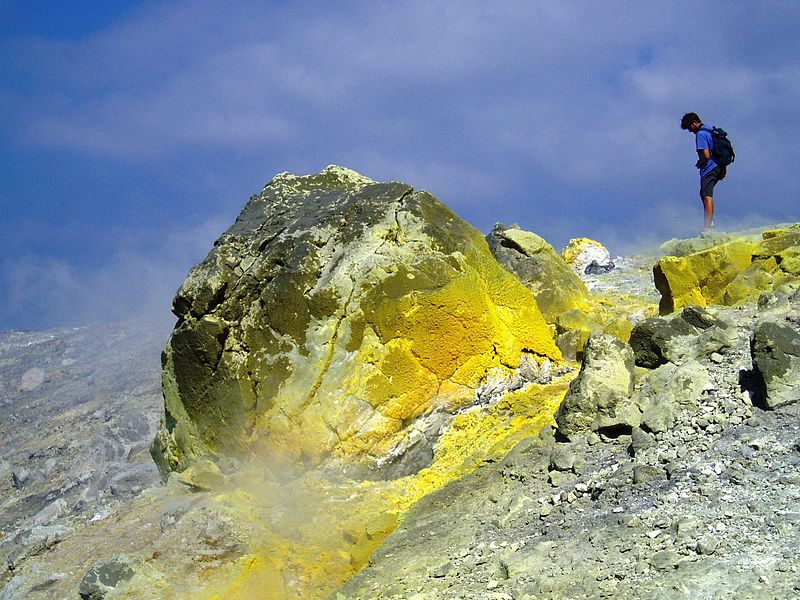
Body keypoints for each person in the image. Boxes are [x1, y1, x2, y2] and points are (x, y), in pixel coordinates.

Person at [680, 112, 724, 230]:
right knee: (704, 194)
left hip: (709, 168)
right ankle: (710, 224)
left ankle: (708, 227)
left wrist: (700, 162)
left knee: (706, 196)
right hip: (719, 166)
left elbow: (705, 154)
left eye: (690, 127)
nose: (690, 131)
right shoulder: (711, 129)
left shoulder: (700, 134)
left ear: (694, 123)